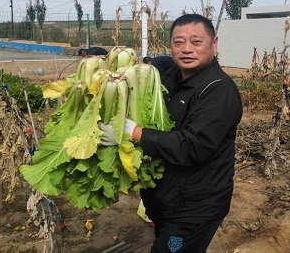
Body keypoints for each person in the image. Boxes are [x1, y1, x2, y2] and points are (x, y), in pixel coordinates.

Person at [99, 14, 242, 252]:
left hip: (195, 207)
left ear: (214, 44)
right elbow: (160, 63)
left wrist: (136, 134)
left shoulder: (219, 91)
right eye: (178, 42)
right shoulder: (171, 76)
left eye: (196, 42)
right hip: (168, 198)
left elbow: (193, 146)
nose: (187, 49)